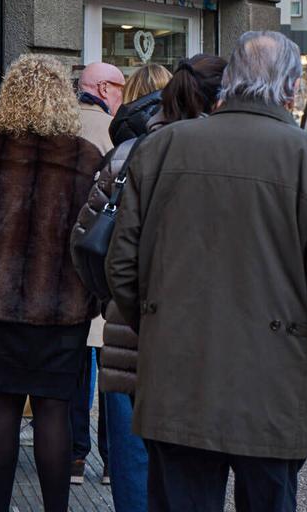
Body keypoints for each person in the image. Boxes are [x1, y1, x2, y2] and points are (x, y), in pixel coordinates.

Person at [107, 31, 307, 512]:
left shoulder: (162, 147)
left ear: (229, 80)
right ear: (292, 89)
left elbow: (121, 264)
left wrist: (157, 325)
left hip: (177, 374)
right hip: (276, 381)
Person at [72, 54, 224, 512]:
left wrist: (121, 301)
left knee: (131, 442)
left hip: (128, 326)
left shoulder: (125, 153)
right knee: (194, 456)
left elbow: (87, 238)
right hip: (201, 330)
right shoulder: (221, 155)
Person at [0, 55, 104, 512]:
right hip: (61, 305)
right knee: (54, 408)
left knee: (1, 406)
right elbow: (94, 231)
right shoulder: (85, 157)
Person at [72, 63, 170, 487]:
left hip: (114, 294)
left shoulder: (122, 150)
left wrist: (105, 290)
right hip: (168, 307)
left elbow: (87, 228)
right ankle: (111, 462)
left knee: (102, 374)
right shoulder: (185, 149)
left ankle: (82, 458)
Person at [78, 62, 125, 155]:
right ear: (104, 88)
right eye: (122, 89)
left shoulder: (58, 120)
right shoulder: (115, 127)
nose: (123, 96)